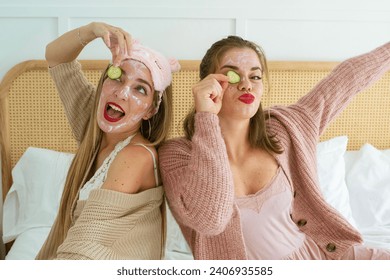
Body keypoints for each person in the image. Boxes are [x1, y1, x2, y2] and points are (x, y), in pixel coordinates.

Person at [158, 35, 390, 260]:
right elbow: (210, 219)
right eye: (232, 75)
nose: (247, 84)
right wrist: (206, 117)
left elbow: (345, 81)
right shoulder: (177, 156)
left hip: (323, 258)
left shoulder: (284, 130)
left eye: (255, 76)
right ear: (208, 83)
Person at [35, 22, 180, 260]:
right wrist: (93, 30)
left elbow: (85, 245)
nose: (121, 93)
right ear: (104, 81)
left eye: (140, 90)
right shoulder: (92, 126)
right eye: (117, 77)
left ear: (151, 110)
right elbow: (56, 57)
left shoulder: (136, 157)